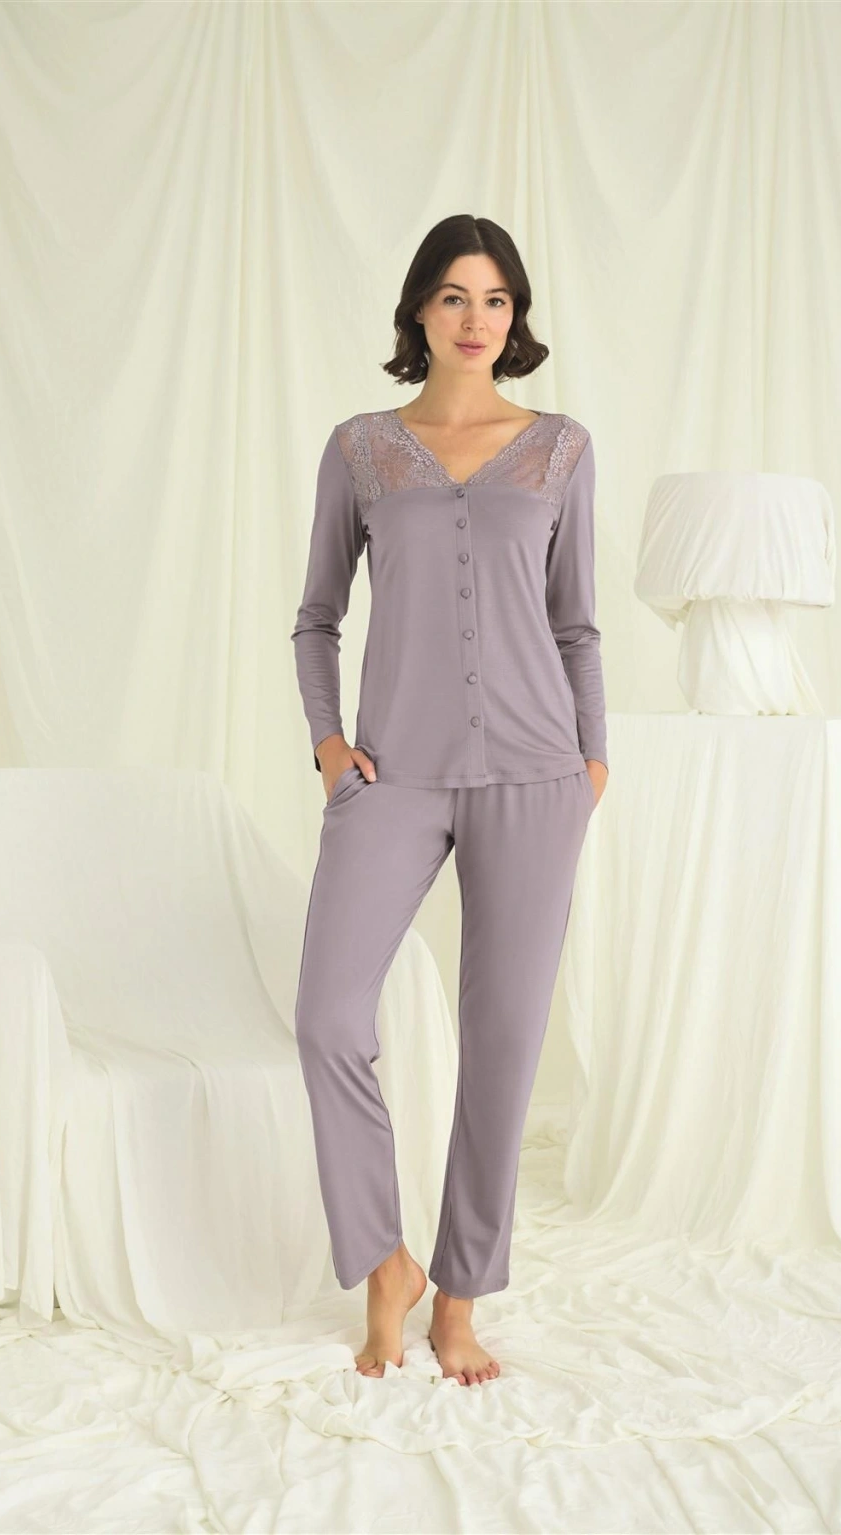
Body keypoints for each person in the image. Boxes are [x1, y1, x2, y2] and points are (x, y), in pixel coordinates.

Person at [290, 214, 609, 1386]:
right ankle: (387, 1261)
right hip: (393, 774)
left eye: (496, 299)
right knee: (328, 1016)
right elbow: (316, 615)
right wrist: (329, 744)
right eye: (454, 297)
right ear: (418, 310)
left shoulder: (559, 448)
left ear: (514, 317)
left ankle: (460, 1299)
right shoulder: (364, 449)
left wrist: (592, 760)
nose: (477, 319)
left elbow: (576, 624)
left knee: (504, 1045)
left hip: (536, 776)